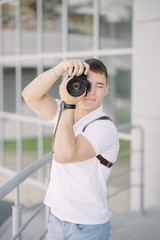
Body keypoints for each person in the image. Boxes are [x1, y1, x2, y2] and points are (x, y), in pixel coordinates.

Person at [22, 59, 119, 240]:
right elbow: (29, 95)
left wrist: (68, 104)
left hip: (88, 226)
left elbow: (64, 154)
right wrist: (59, 68)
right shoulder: (65, 110)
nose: (91, 91)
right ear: (73, 84)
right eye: (86, 84)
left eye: (99, 86)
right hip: (57, 218)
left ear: (106, 90)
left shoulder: (104, 127)